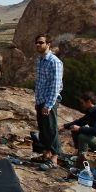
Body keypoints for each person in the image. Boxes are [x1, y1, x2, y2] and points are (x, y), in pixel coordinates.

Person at [60, 91, 96, 167]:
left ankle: (81, 160)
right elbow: (80, 121)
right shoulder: (91, 111)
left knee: (82, 136)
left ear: (89, 102)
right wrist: (65, 126)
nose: (81, 105)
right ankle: (78, 153)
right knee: (74, 128)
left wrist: (80, 128)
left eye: (82, 103)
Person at [33, 33, 63, 167]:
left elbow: (55, 85)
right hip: (40, 99)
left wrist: (49, 104)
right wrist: (38, 101)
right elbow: (40, 82)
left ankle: (55, 158)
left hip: (48, 101)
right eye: (37, 43)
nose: (38, 45)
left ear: (48, 44)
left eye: (41, 42)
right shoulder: (40, 60)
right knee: (43, 128)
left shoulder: (54, 62)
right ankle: (46, 153)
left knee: (51, 128)